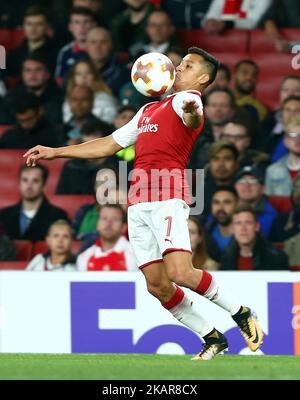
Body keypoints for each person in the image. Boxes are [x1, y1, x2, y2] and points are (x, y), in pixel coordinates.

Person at [24, 46, 264, 360]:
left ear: (203, 79)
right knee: (157, 286)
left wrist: (194, 104)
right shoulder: (149, 110)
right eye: (181, 63)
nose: (179, 67)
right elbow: (108, 144)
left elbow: (192, 117)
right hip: (138, 204)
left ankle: (241, 312)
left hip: (168, 197)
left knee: (180, 272)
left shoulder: (186, 102)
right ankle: (212, 337)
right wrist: (55, 152)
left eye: (188, 66)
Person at [0, 165, 68, 242]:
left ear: (43, 184)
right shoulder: (3, 215)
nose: (29, 186)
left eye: (35, 181)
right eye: (25, 180)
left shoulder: (58, 215)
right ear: (19, 183)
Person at [56, 117, 118, 195]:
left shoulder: (120, 165)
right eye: (86, 134)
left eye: (95, 134)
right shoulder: (71, 166)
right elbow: (61, 197)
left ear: (106, 139)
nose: (90, 139)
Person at [221, 204, 289, 271]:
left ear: (257, 227)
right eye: (238, 223)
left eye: (248, 223)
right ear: (232, 229)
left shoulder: (276, 258)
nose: (243, 228)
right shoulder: (226, 258)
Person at [4, 54, 63, 125]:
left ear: (48, 74)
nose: (32, 75)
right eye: (28, 70)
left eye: (38, 70)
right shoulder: (11, 97)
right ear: (22, 74)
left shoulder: (59, 99)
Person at [77, 204, 137, 271]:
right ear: (97, 225)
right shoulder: (84, 257)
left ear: (124, 227)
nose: (108, 223)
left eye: (115, 219)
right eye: (104, 218)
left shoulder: (136, 256)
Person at [6, 5, 59, 79]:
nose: (33, 29)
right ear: (23, 26)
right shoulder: (15, 53)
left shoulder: (57, 54)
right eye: (29, 24)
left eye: (39, 24)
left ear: (47, 27)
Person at [63, 59, 118, 125]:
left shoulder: (106, 99)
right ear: (73, 78)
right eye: (78, 74)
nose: (83, 77)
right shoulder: (68, 101)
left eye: (88, 73)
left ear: (95, 76)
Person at [55, 7, 96, 84]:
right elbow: (59, 80)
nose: (82, 27)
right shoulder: (65, 52)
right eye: (77, 22)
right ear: (70, 27)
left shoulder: (100, 50)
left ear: (93, 25)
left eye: (86, 22)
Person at [85, 27, 130, 97]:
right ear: (86, 46)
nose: (98, 46)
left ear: (110, 45)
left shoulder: (123, 74)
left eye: (103, 42)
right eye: (93, 42)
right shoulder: (76, 71)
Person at [235, 165, 278, 238]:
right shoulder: (227, 207)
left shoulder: (271, 215)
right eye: (242, 181)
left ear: (262, 188)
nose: (246, 185)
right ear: (235, 186)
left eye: (253, 181)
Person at [265, 117, 300, 196]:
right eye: (293, 135)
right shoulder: (272, 170)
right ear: (285, 140)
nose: (298, 139)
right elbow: (270, 200)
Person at [202, 0, 271, 33]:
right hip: (219, 38)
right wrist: (209, 22)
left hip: (246, 38)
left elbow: (253, 23)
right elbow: (210, 16)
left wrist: (226, 24)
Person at [206, 186, 237, 255]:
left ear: (237, 205)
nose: (221, 207)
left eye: (227, 202)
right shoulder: (204, 231)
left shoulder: (247, 235)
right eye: (216, 202)